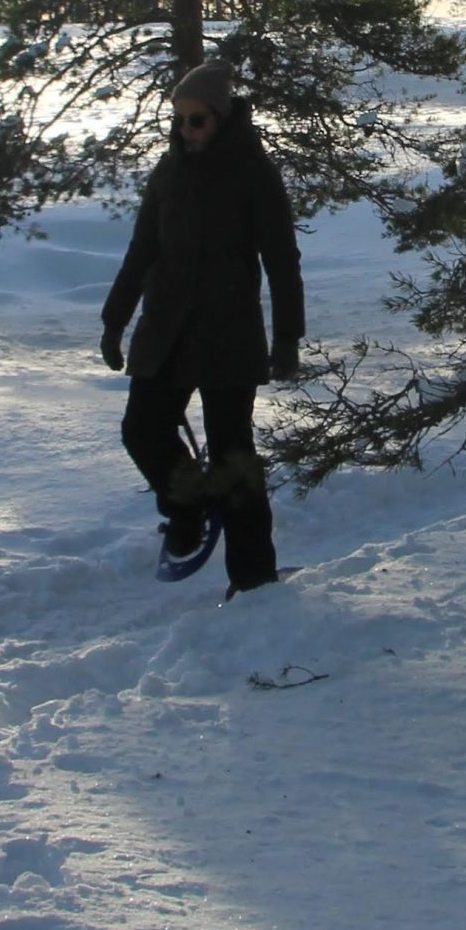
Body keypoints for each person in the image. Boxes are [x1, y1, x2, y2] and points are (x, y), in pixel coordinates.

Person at [100, 62, 303, 594]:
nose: (186, 130)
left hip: (228, 333)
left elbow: (282, 258)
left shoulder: (253, 172)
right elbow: (142, 249)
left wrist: (287, 337)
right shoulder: (169, 171)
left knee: (234, 456)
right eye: (179, 120)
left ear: (221, 117)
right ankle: (189, 506)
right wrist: (114, 319)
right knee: (141, 430)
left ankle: (254, 578)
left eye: (197, 121)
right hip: (165, 328)